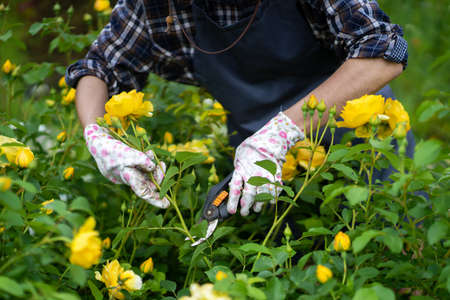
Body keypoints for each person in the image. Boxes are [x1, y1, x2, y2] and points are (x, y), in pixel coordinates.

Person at [66, 0, 410, 216]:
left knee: (395, 261)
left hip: (362, 146)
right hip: (257, 169)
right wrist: (99, 136)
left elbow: (384, 53)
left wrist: (280, 133)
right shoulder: (156, 7)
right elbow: (99, 68)